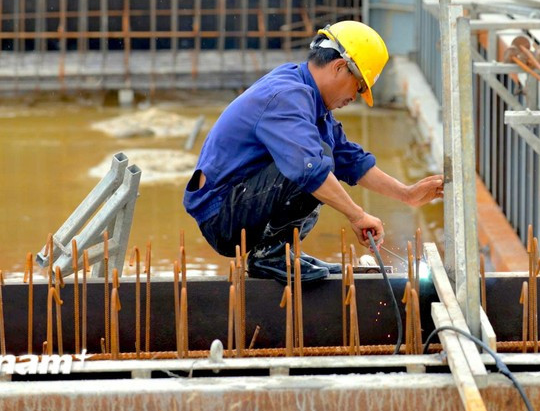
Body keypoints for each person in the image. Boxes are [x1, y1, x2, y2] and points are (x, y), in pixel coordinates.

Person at [183, 21, 443, 282]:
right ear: (340, 67)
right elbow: (309, 170)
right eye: (359, 86)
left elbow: (349, 159)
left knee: (324, 156)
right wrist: (358, 215)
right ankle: (270, 256)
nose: (356, 96)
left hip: (239, 203)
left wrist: (407, 194)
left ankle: (283, 251)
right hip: (223, 216)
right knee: (315, 163)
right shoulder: (287, 96)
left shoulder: (310, 98)